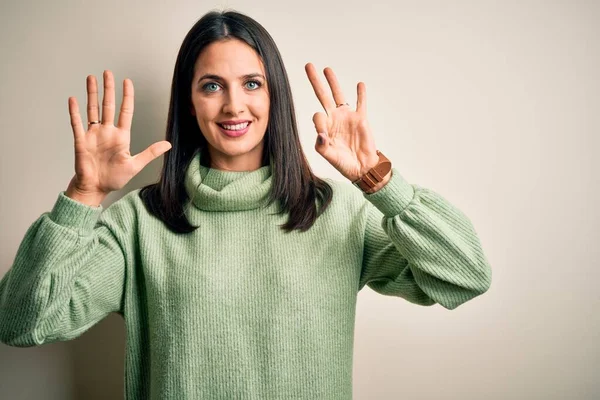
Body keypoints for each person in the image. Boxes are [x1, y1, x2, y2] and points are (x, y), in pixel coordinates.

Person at [0, 9, 492, 400]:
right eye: (212, 86)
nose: (234, 105)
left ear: (275, 95)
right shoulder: (138, 223)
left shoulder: (337, 212)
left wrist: (380, 182)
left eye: (252, 84)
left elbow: (465, 275)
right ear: (190, 103)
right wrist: (82, 198)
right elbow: (21, 322)